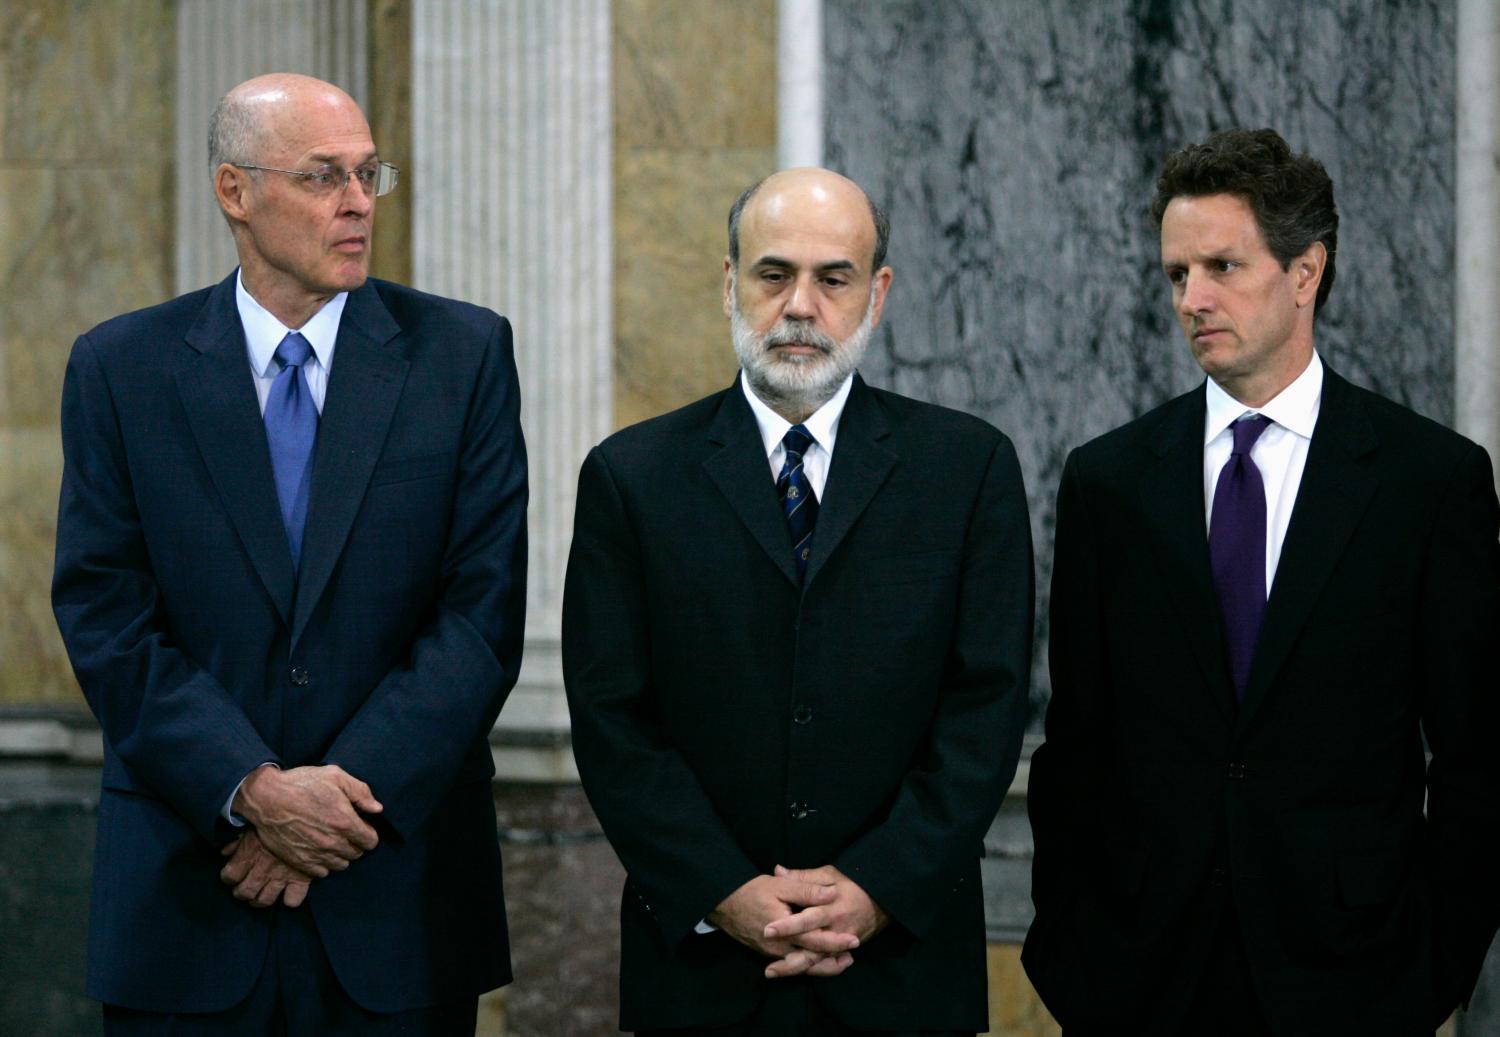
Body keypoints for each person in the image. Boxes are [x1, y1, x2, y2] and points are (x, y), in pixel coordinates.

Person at [51, 73, 527, 1033]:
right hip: (189, 897)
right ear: (235, 191)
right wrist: (252, 790)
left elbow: (481, 617)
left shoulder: (464, 354)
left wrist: (327, 813)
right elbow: (106, 613)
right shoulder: (121, 368)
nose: (358, 204)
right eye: (323, 178)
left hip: (399, 901)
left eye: (367, 174)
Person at [1023, 128, 1500, 1036]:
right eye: (1175, 274)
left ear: (1305, 273)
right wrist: (1076, 953)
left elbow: (1478, 758)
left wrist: (1432, 972)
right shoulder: (1110, 480)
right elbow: (1077, 746)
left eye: (1222, 266)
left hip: (1356, 979)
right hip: (1144, 977)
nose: (1192, 299)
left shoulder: (1427, 480)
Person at [562, 167, 1034, 1036]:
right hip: (703, 973)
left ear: (878, 293)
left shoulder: (966, 471)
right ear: (731, 284)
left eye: (834, 277)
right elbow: (612, 718)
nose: (801, 306)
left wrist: (877, 888)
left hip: (902, 974)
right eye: (774, 274)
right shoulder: (632, 478)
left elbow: (987, 708)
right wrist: (722, 890)